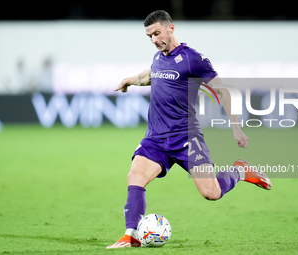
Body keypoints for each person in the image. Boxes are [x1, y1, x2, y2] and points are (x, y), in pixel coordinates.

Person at [107, 10, 272, 249]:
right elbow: (151, 75)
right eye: (149, 36)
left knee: (211, 193)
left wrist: (236, 127)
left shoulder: (193, 59)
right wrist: (128, 81)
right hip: (155, 138)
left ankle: (240, 171)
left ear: (170, 28)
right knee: (136, 176)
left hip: (186, 138)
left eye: (157, 33)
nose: (154, 40)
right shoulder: (158, 57)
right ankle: (131, 234)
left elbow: (223, 91)